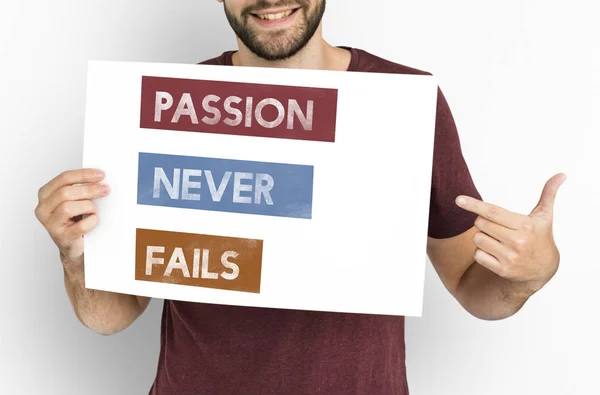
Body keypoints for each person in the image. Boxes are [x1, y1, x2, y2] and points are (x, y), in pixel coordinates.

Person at [34, 1, 566, 394]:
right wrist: (75, 255)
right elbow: (110, 315)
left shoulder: (402, 104)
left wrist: (530, 273)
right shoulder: (163, 108)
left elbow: (475, 291)